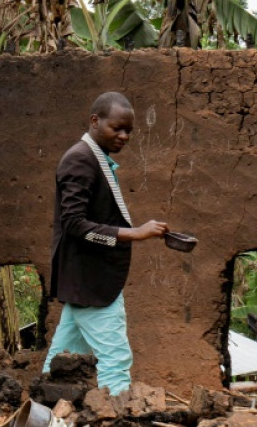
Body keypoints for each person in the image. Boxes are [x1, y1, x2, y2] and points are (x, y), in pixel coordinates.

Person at [42, 91, 168, 396]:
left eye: (129, 131)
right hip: (90, 282)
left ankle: (40, 413)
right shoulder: (80, 160)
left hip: (86, 282)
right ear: (95, 121)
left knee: (59, 363)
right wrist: (134, 233)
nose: (124, 136)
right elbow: (73, 224)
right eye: (117, 128)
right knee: (115, 359)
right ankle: (119, 415)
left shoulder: (94, 158)